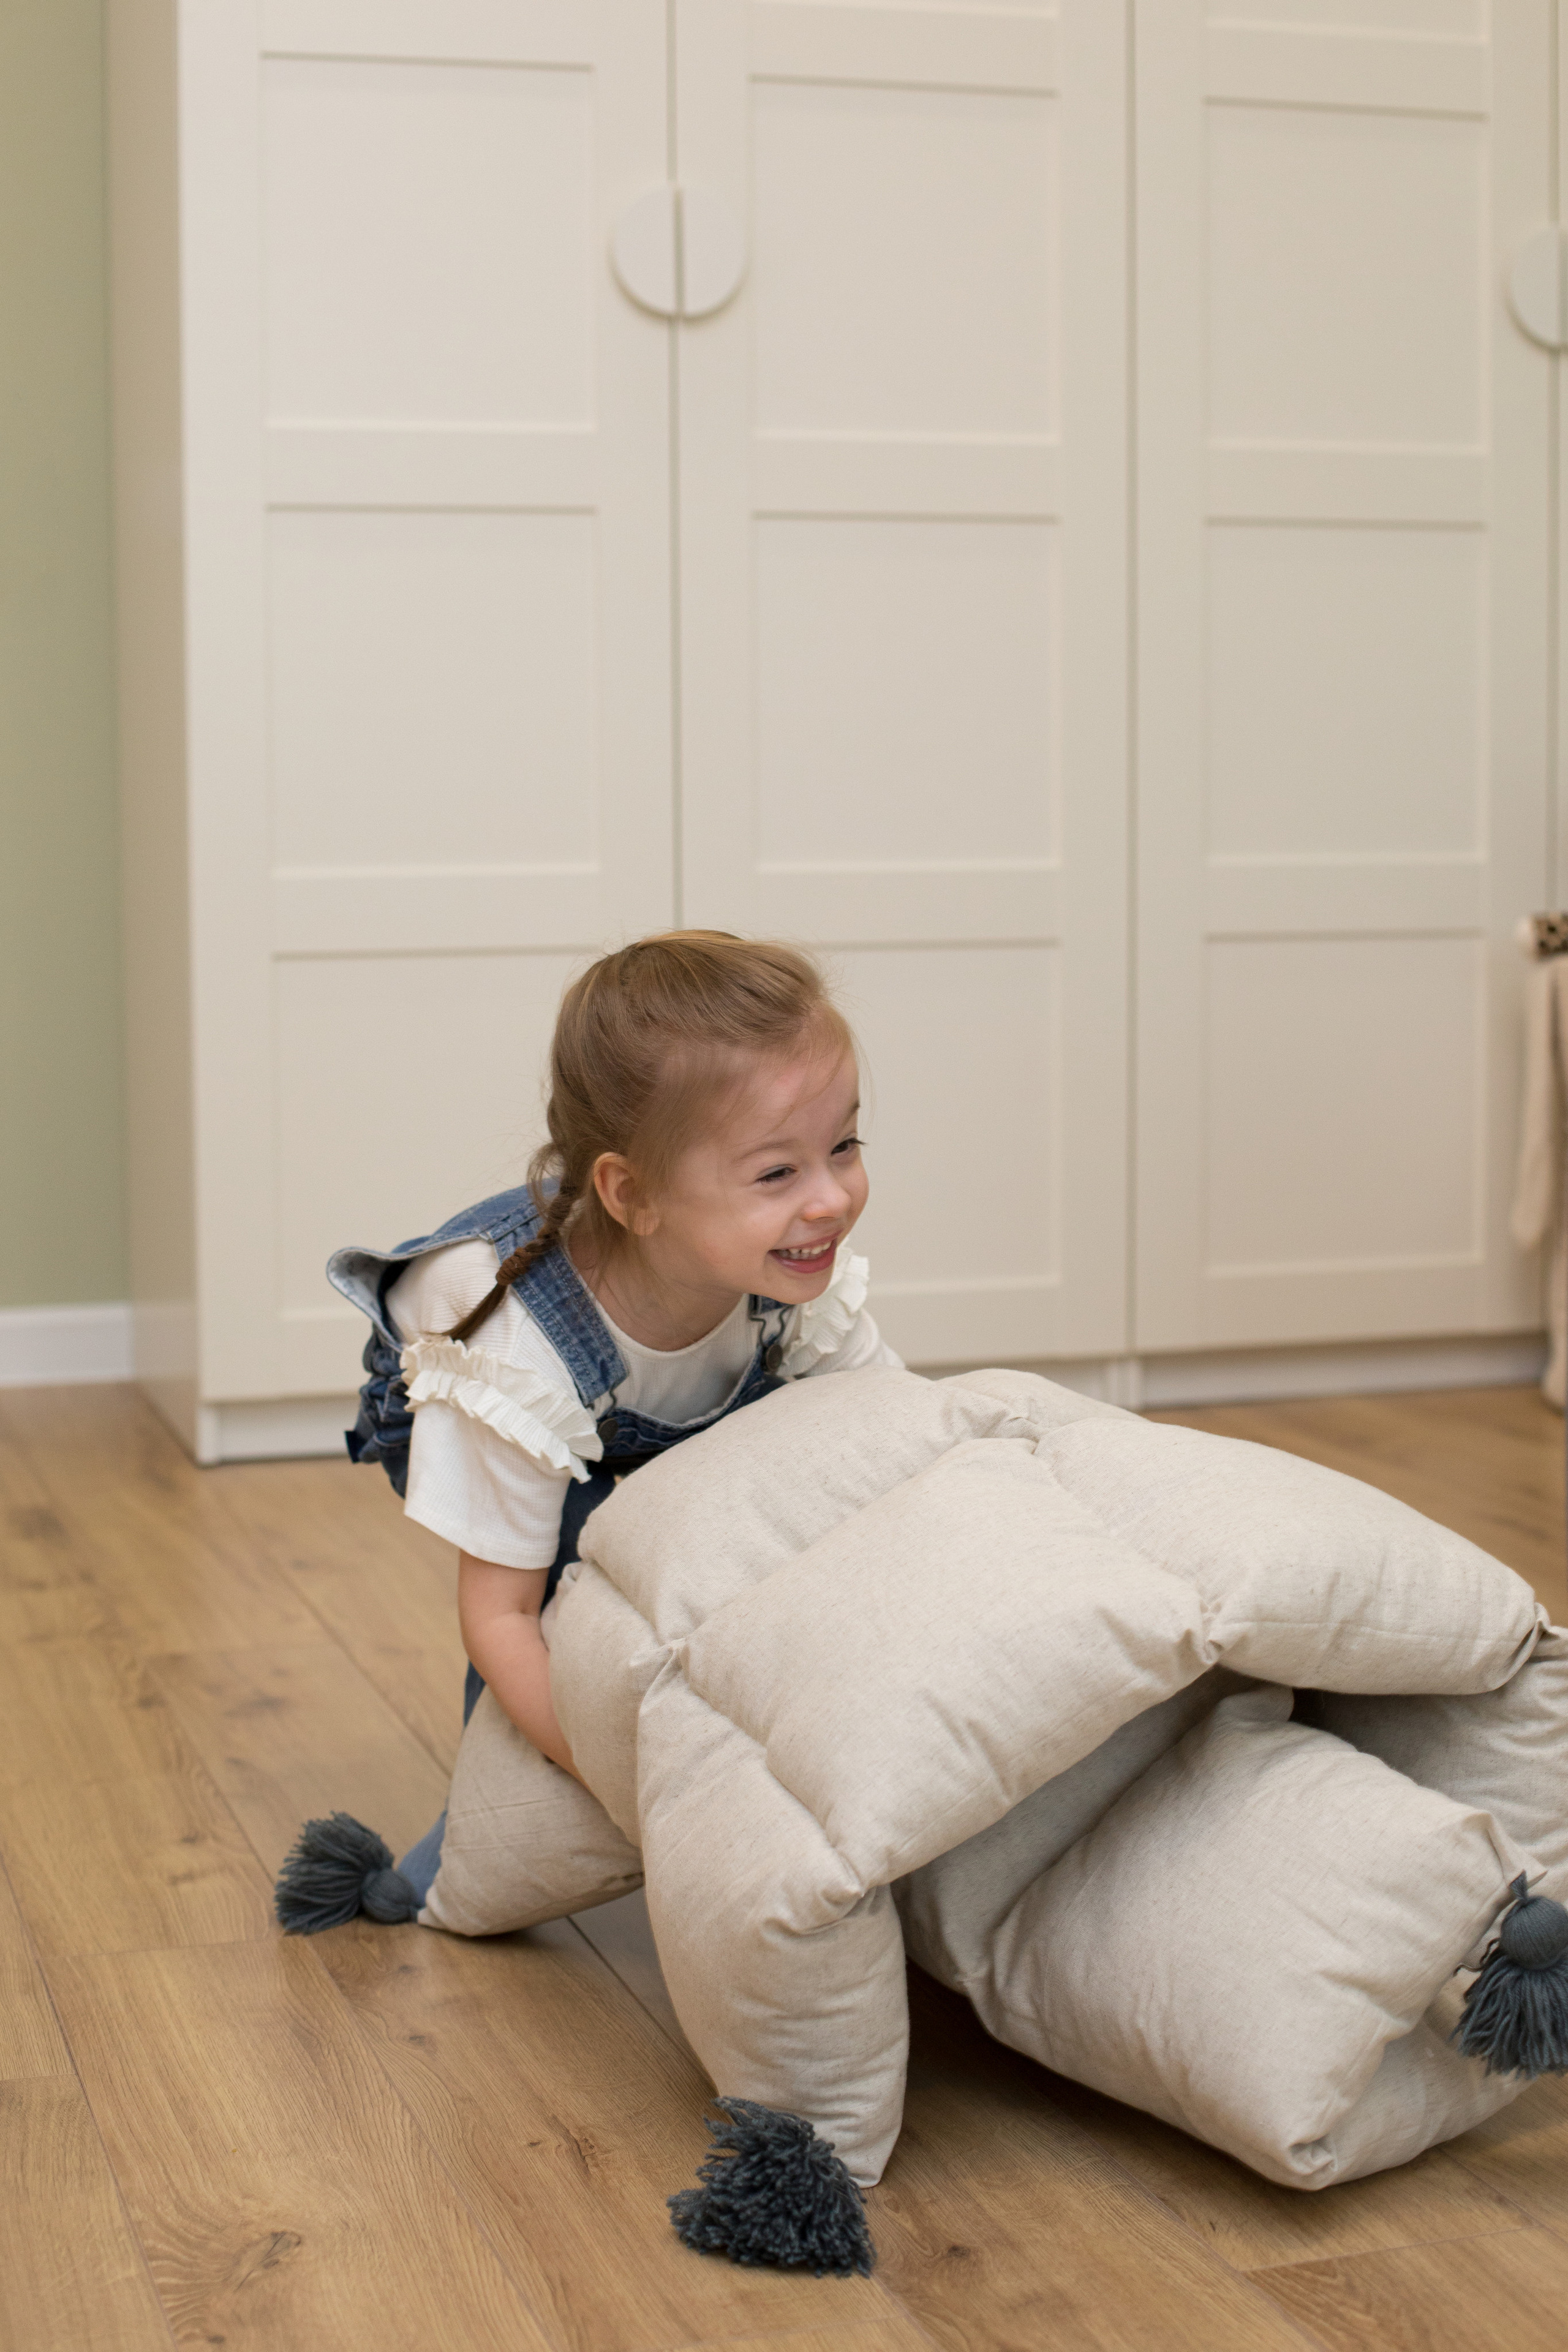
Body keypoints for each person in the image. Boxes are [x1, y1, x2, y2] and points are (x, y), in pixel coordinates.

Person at [328, 932, 902, 1837]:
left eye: (845, 1145)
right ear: (632, 1196)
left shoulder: (781, 1266)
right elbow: (501, 1616)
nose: (831, 1198)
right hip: (483, 1406)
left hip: (655, 1403)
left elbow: (900, 1444)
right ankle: (474, 1838)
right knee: (567, 1581)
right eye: (778, 1172)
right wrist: (627, 1788)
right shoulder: (509, 1348)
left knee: (776, 1517)